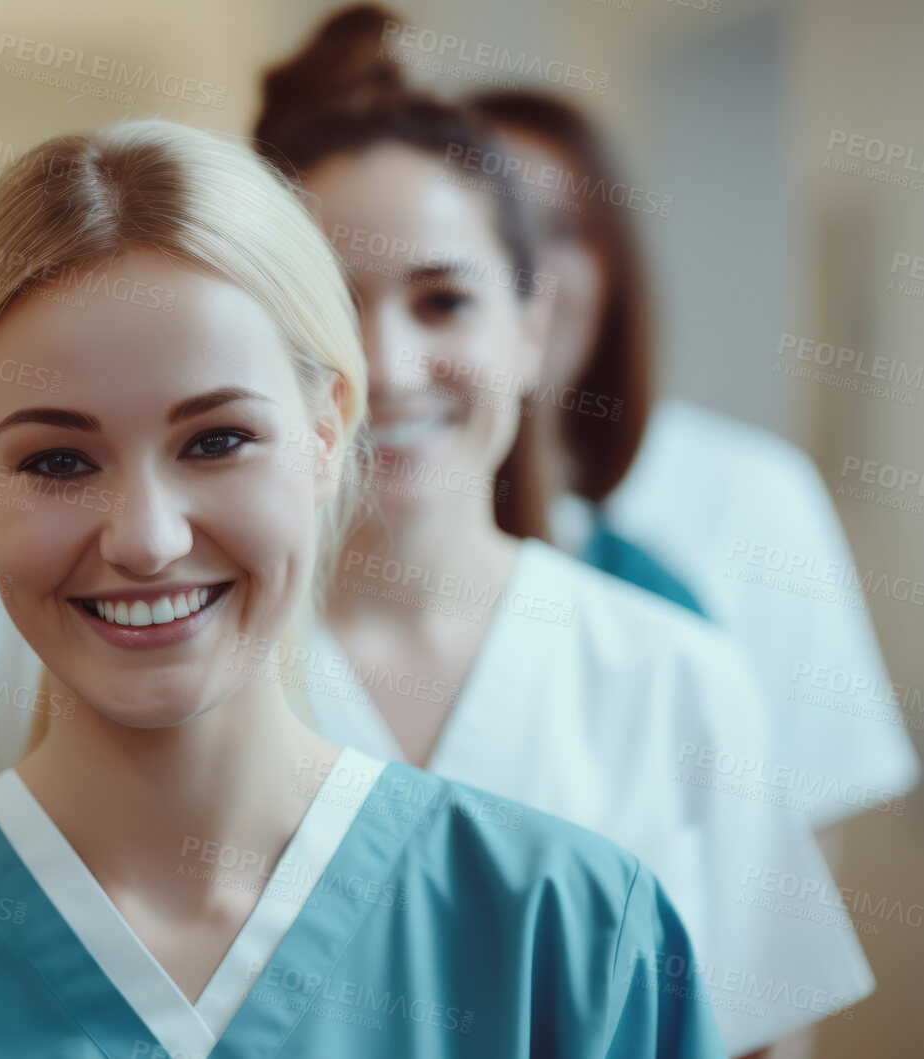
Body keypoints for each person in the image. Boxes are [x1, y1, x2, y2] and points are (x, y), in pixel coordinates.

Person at [0, 118, 724, 1058]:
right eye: (55, 461)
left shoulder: (567, 939)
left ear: (325, 437)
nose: (144, 538)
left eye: (215, 440)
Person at [251, 7, 872, 1055]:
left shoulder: (671, 676)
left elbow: (764, 1034)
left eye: (441, 301)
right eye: (328, 307)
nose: (387, 367)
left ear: (532, 329)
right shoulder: (189, 667)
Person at [466, 87, 919, 833]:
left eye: (557, 229)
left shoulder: (753, 494)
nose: (523, 271)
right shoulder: (363, 502)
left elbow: (804, 829)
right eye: (489, 228)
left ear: (612, 265)